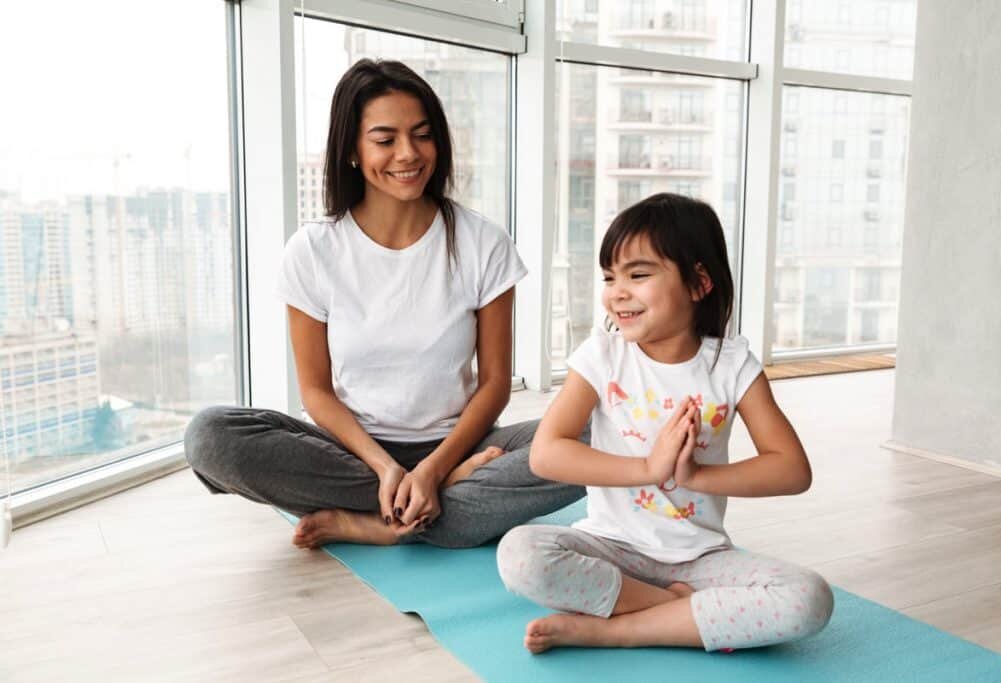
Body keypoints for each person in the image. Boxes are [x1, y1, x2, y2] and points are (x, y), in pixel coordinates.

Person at [184, 59, 583, 549]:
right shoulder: (313, 251)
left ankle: (384, 521)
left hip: (462, 444)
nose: (408, 154)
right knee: (210, 436)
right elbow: (317, 392)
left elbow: (495, 385)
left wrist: (436, 468)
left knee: (602, 435)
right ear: (352, 148)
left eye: (422, 135)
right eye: (385, 139)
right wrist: (386, 467)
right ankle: (433, 505)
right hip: (353, 450)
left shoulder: (483, 242)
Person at [496, 193, 833, 653]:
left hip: (700, 560)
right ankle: (673, 610)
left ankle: (618, 629)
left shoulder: (732, 365)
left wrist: (696, 476)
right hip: (610, 548)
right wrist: (648, 469)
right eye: (610, 277)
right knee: (520, 554)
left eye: (638, 275)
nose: (617, 291)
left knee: (809, 599)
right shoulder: (603, 356)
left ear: (698, 283)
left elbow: (792, 470)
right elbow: (547, 452)